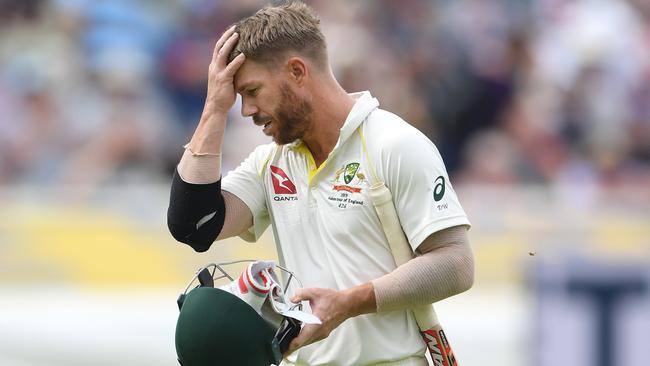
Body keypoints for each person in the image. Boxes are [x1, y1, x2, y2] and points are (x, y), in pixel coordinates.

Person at [167, 1, 474, 365]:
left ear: (297, 71)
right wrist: (214, 109)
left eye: (251, 91)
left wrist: (350, 302)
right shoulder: (271, 161)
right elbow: (194, 226)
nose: (246, 110)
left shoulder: (394, 145)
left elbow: (456, 263)